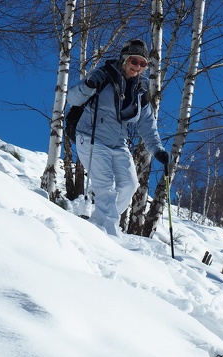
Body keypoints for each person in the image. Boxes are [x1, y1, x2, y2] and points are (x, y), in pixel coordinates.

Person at [67, 39, 169, 237]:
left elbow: (147, 124)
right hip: (91, 137)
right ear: (124, 60)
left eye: (143, 64)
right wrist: (88, 85)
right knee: (104, 187)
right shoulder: (103, 76)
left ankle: (100, 223)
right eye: (134, 61)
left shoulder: (140, 90)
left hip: (118, 143)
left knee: (130, 185)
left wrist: (157, 150)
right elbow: (72, 99)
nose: (137, 67)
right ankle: (109, 236)